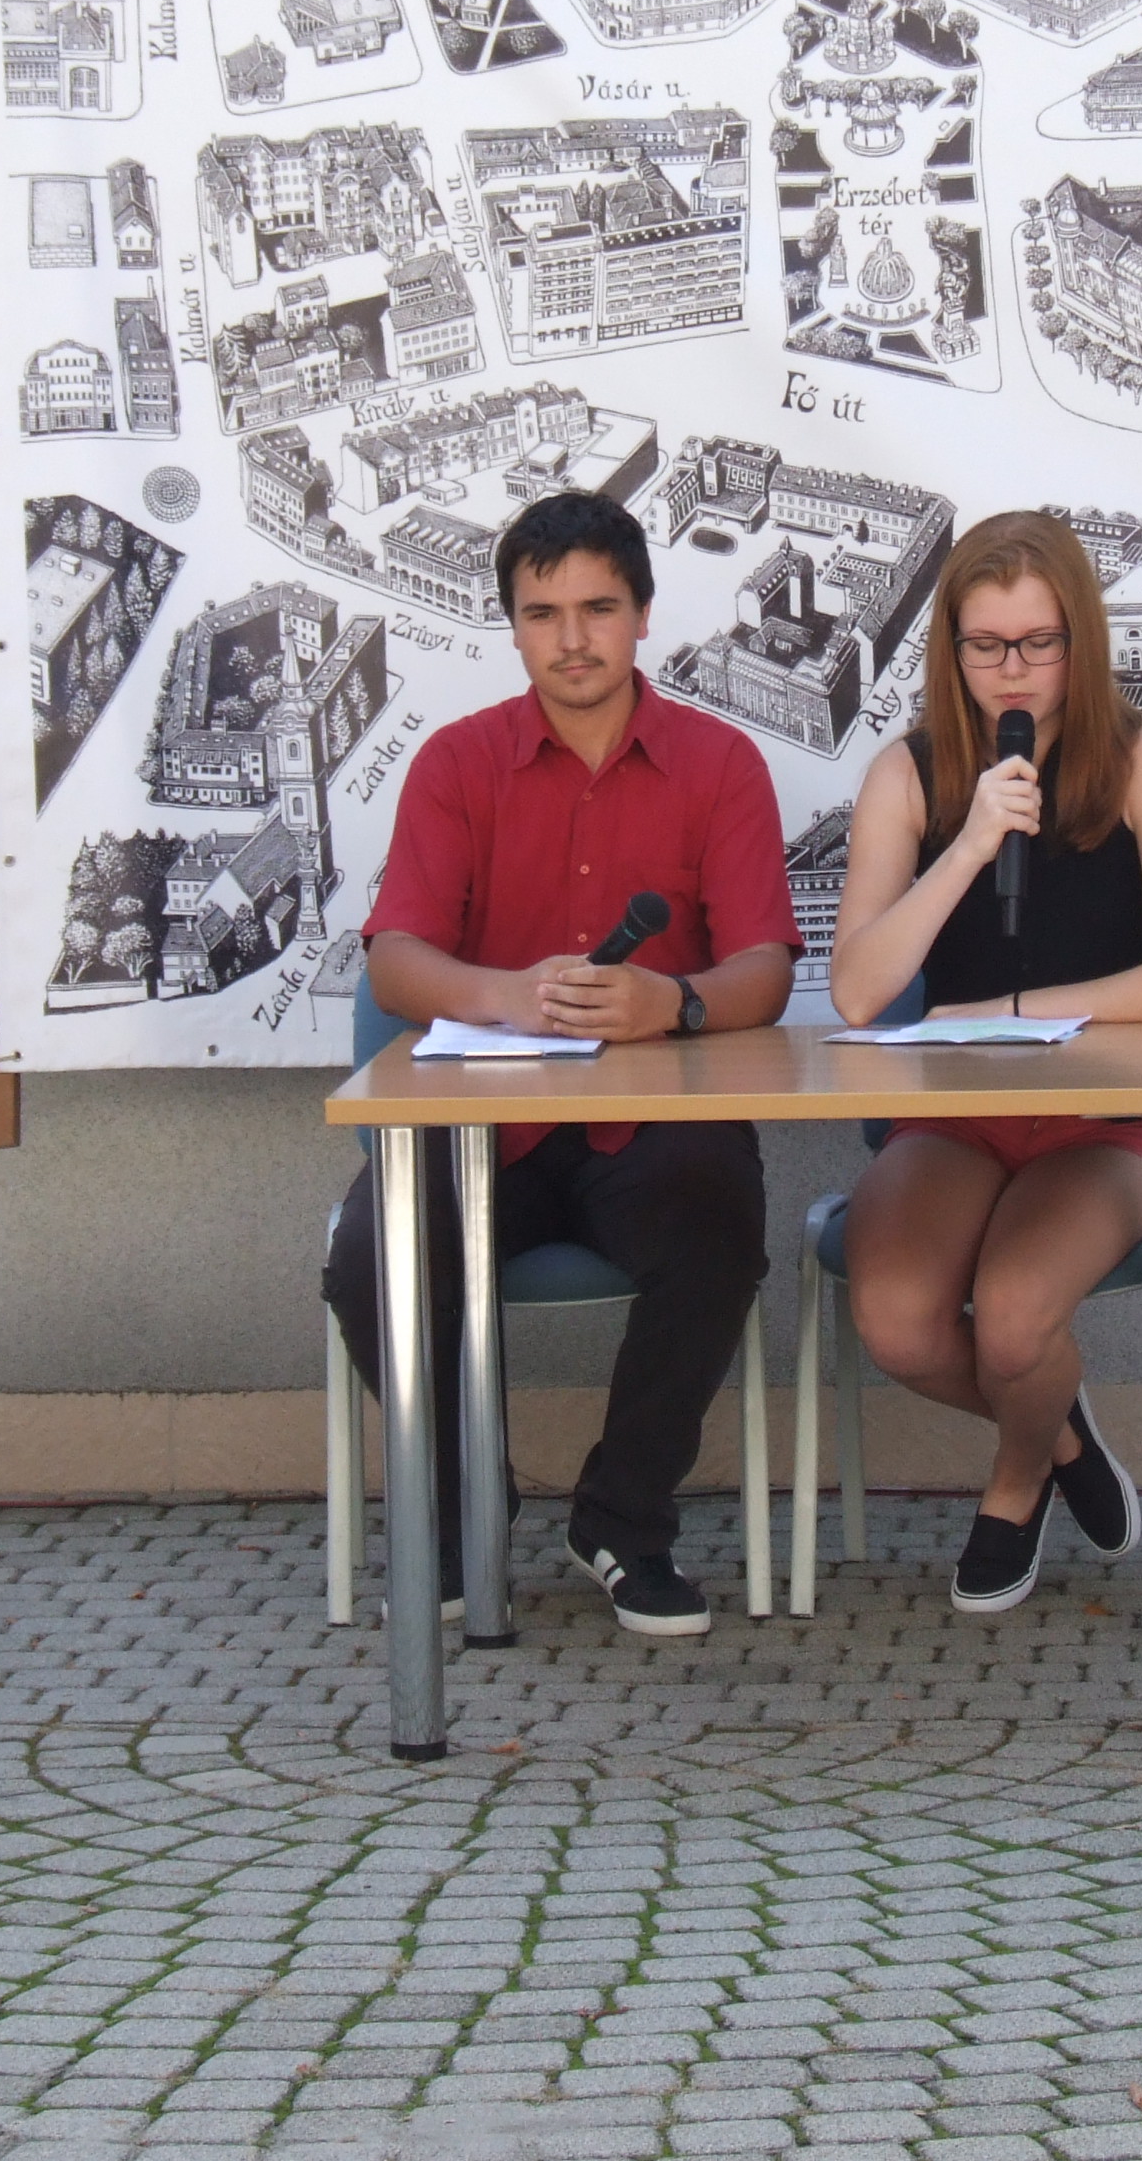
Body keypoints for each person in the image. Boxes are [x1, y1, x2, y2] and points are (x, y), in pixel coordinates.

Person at [322, 490, 799, 1638]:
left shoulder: (720, 762)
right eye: (542, 614)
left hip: (652, 1122)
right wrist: (507, 996)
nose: (571, 639)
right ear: (513, 625)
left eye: (597, 609)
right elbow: (394, 959)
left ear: (642, 614)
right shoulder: (456, 763)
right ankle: (460, 1511)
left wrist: (671, 1002)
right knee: (372, 1258)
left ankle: (621, 1522)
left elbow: (766, 970)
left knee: (718, 1228)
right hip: (483, 1119)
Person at [825, 510, 1142, 1615]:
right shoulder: (907, 775)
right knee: (897, 1320)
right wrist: (968, 845)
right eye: (985, 645)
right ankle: (1058, 1431)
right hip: (955, 1116)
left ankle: (1014, 1481)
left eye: (1038, 643)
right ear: (948, 649)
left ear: (1079, 641)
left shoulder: (1141, 762)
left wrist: (1011, 1010)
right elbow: (857, 989)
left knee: (1010, 1318)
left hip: (1101, 1118)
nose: (1012, 670)